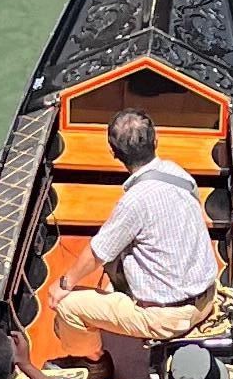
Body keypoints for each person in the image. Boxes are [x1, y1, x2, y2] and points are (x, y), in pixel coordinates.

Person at [56, 106, 220, 346]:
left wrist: (64, 284)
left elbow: (97, 253)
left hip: (165, 318)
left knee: (66, 305)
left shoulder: (134, 202)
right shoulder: (179, 174)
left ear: (113, 152)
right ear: (156, 140)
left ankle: (93, 361)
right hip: (206, 298)